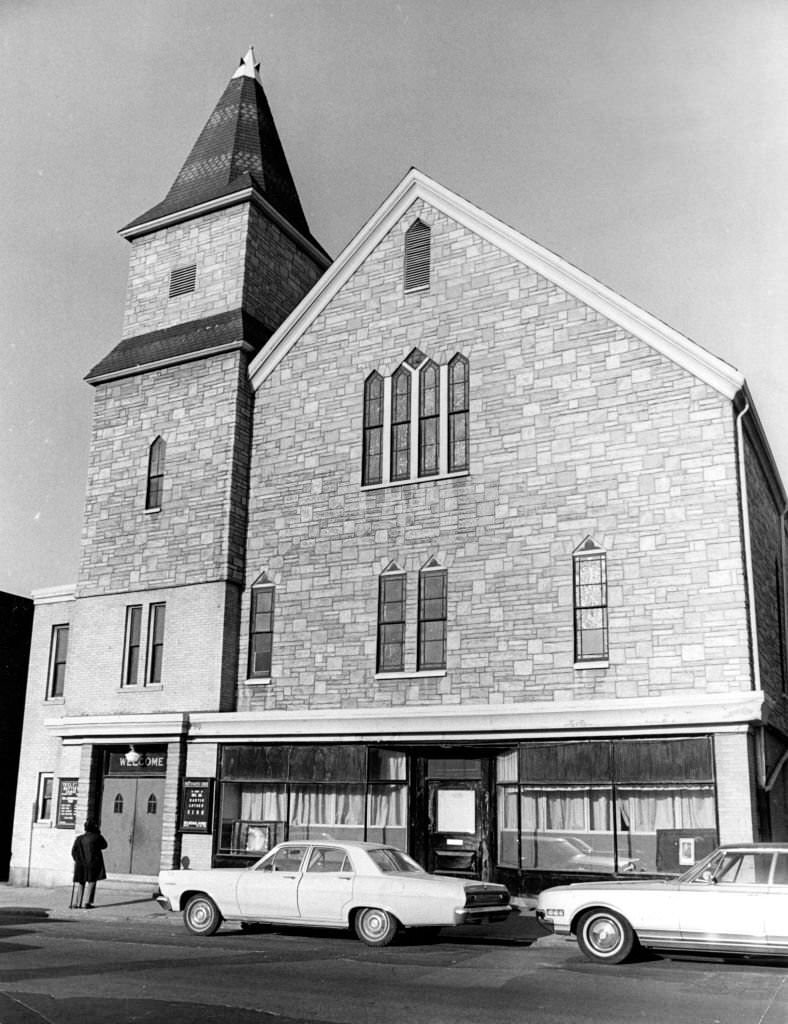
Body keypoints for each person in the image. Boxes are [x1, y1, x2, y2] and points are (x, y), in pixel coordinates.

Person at [71, 818, 107, 908]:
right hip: (92, 863)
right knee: (92, 882)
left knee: (81, 882)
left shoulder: (79, 838)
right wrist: (98, 833)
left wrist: (77, 860)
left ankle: (77, 903)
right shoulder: (97, 837)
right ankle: (87, 902)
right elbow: (104, 845)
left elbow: (73, 852)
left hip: (81, 864)